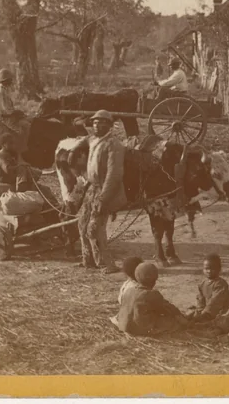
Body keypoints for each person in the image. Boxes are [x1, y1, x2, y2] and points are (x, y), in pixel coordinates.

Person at [79, 110, 126, 273]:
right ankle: (88, 260)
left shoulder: (114, 145)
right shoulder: (93, 140)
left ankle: (107, 264)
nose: (97, 125)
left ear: (109, 126)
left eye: (101, 123)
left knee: (95, 228)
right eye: (94, 122)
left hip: (104, 190)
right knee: (82, 224)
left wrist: (103, 198)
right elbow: (83, 141)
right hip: (91, 188)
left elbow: (114, 174)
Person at [115, 262, 188, 337]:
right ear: (154, 280)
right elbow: (164, 309)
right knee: (171, 322)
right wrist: (177, 314)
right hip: (139, 329)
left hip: (124, 326)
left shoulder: (129, 290)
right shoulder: (152, 294)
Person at [186, 253, 229, 328]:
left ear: (219, 269)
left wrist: (203, 314)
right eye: (206, 269)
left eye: (212, 269)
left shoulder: (220, 284)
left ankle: (205, 324)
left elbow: (215, 302)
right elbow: (201, 301)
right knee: (191, 312)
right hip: (208, 311)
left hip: (221, 310)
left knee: (225, 319)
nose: (209, 271)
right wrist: (199, 311)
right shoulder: (202, 284)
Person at [0, 68, 30, 154]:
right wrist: (15, 113)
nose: (11, 81)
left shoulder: (2, 89)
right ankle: (21, 150)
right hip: (5, 118)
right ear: (5, 80)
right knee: (22, 128)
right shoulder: (1, 92)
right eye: (10, 79)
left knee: (26, 121)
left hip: (6, 116)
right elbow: (4, 110)